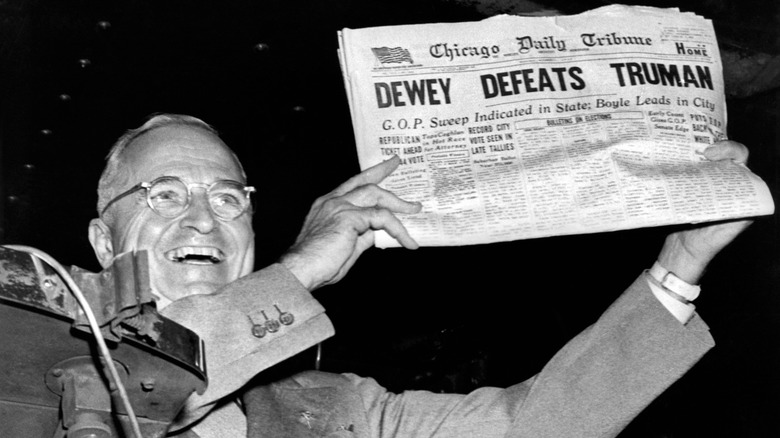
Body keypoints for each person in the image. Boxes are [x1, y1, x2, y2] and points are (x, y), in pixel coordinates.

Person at [88, 113, 752, 437]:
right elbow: (139, 389)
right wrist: (297, 273)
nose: (203, 219)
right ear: (101, 240)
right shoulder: (32, 349)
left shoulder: (326, 408)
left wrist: (681, 263)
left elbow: (529, 428)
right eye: (163, 194)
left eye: (228, 198)